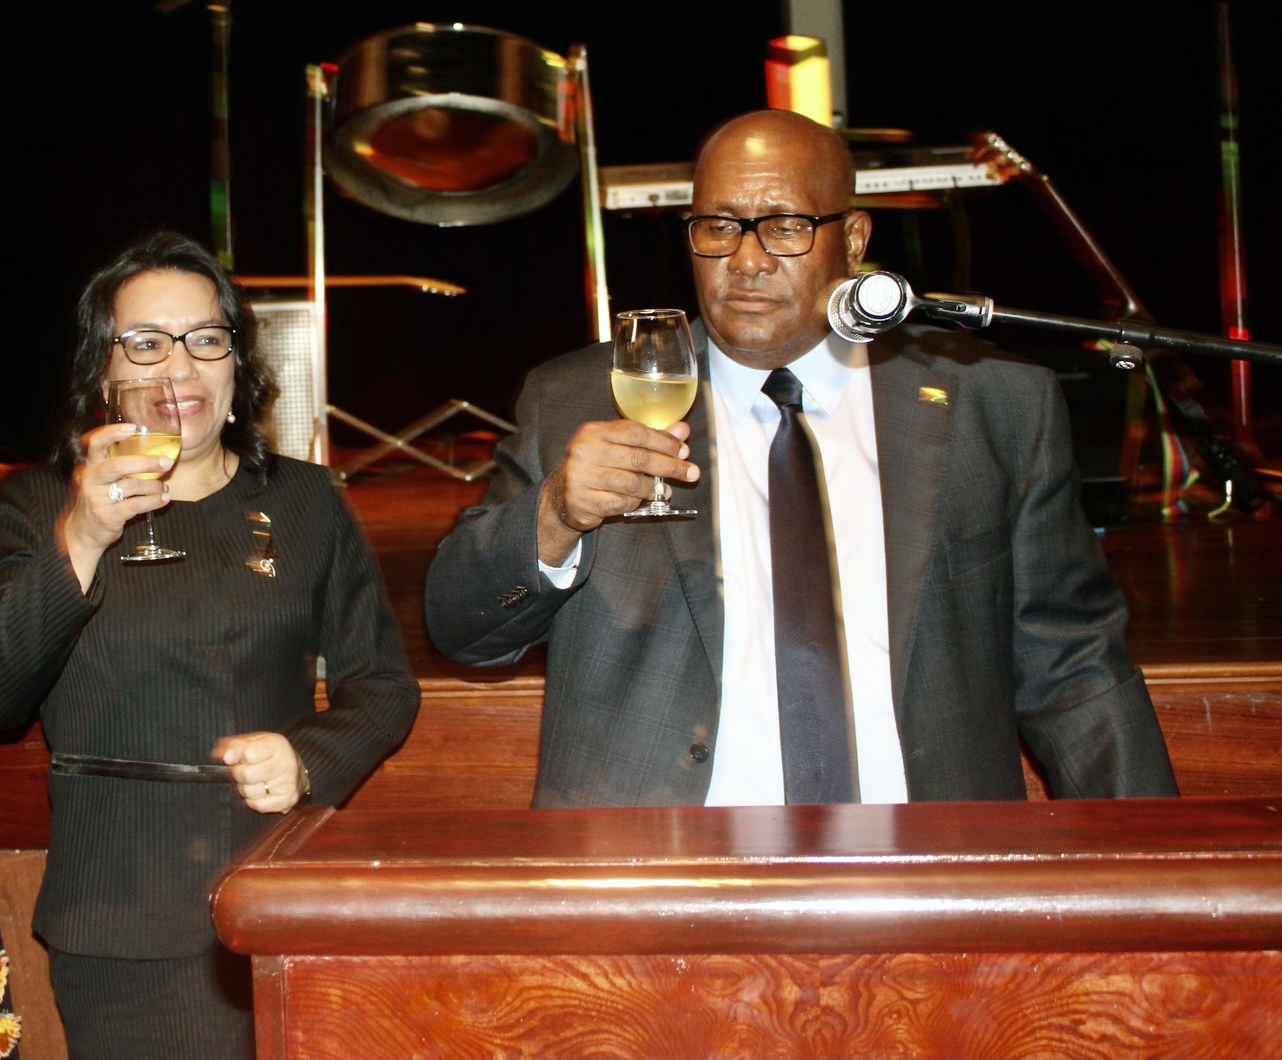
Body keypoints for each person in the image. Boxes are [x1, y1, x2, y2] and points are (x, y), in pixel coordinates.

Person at [424, 109, 1177, 808]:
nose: (746, 259)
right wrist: (554, 515)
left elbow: (1074, 666)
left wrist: (1158, 865)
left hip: (925, 861)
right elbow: (463, 631)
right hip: (661, 864)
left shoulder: (992, 402)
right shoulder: (577, 399)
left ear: (853, 239)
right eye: (718, 226)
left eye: (785, 226)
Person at [0, 230, 420, 1059]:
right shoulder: (36, 506)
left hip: (284, 896)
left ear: (237, 361)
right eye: (145, 343)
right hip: (124, 917)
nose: (177, 368)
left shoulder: (305, 500)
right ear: (102, 369)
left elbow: (382, 684)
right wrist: (81, 537)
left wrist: (307, 760)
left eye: (204, 338)